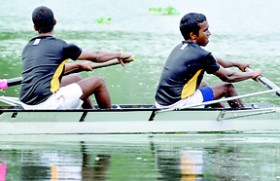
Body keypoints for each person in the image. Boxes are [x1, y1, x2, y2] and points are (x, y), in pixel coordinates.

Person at [19, 6, 133, 109]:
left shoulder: (28, 47)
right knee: (99, 81)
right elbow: (96, 56)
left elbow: (49, 70)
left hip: (25, 103)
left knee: (76, 78)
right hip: (46, 103)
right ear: (55, 22)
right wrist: (119, 55)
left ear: (34, 27)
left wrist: (77, 65)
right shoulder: (61, 46)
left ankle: (88, 113)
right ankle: (106, 119)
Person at [155, 12, 262, 109]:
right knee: (227, 87)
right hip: (177, 104)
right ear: (193, 35)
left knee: (203, 85)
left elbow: (216, 60)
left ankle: (220, 112)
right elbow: (228, 77)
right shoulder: (201, 55)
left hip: (161, 102)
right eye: (205, 30)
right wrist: (252, 74)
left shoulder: (180, 48)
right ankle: (240, 116)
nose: (209, 33)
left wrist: (237, 63)